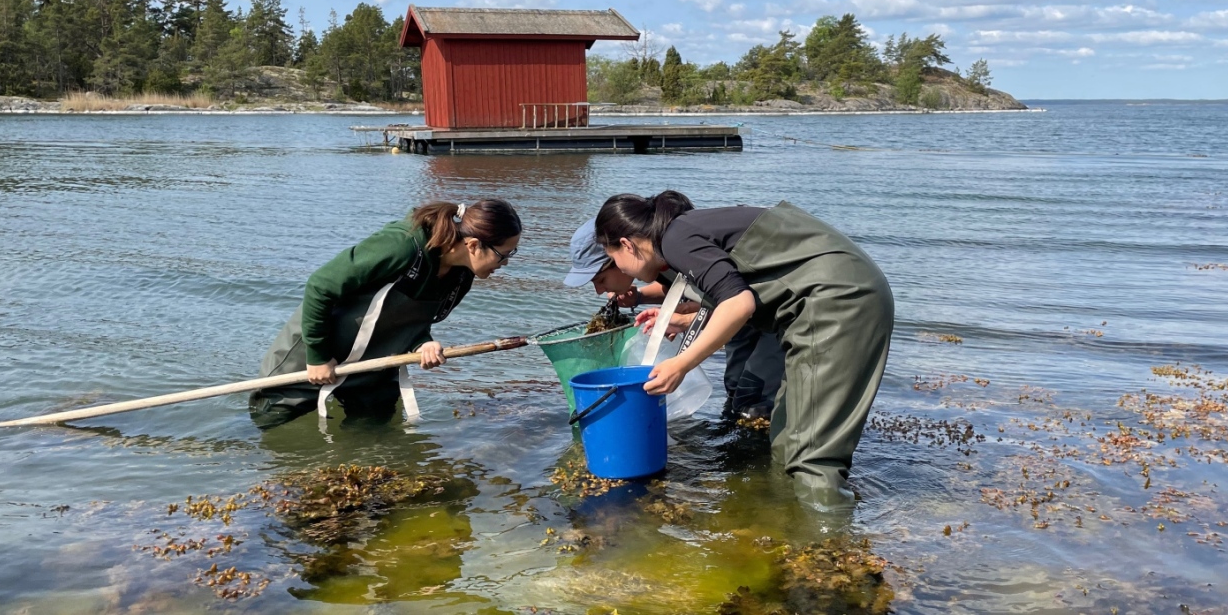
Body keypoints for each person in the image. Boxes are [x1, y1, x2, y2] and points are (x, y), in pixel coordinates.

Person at [595, 191, 893, 509]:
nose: (620, 269)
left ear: (626, 244)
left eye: (612, 257)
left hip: (838, 303)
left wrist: (681, 364)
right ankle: (795, 532)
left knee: (811, 457)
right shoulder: (679, 235)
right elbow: (737, 289)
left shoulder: (676, 238)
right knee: (785, 438)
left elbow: (739, 302)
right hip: (817, 306)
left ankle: (826, 552)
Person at [251, 200, 522, 428]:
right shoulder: (402, 246)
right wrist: (318, 357)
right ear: (474, 245)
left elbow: (412, 319)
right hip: (316, 353)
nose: (507, 262)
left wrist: (422, 343)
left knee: (374, 435)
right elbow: (320, 286)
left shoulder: (463, 275)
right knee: (270, 422)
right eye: (504, 254)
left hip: (375, 365)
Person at [563, 218, 784, 420]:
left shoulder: (675, 248)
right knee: (735, 389)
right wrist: (640, 296)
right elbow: (686, 285)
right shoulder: (653, 257)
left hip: (772, 308)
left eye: (600, 279)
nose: (599, 291)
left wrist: (686, 341)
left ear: (621, 253)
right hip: (741, 313)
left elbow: (730, 298)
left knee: (753, 400)